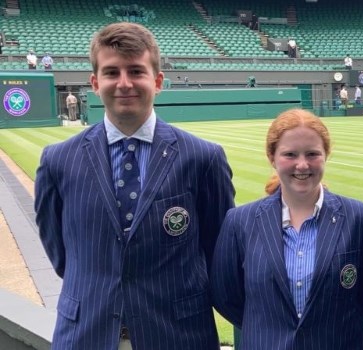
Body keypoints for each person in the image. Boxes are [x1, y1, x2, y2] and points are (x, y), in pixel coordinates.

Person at [34, 22, 235, 350]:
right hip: (87, 335)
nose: (124, 83)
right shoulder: (58, 160)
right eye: (112, 72)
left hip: (178, 336)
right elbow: (61, 255)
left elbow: (220, 255)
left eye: (136, 71)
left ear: (157, 82)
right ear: (95, 83)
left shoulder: (203, 158)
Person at [211, 109, 363, 349]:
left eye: (312, 154)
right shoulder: (240, 222)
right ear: (272, 157)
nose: (302, 165)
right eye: (290, 154)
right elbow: (226, 296)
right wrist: (270, 331)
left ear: (326, 155)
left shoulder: (360, 218)